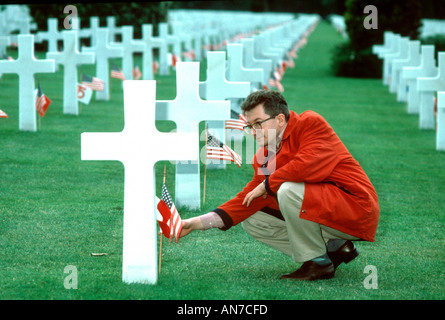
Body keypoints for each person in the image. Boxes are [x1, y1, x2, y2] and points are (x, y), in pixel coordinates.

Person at [179, 90, 379, 281]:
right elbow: (246, 199)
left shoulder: (310, 123)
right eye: (250, 126)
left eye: (258, 123)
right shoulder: (264, 157)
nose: (253, 131)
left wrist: (267, 184)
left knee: (287, 190)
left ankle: (318, 262)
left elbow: (307, 164)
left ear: (280, 119)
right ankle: (332, 249)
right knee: (253, 218)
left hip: (356, 208)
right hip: (325, 212)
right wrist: (195, 223)